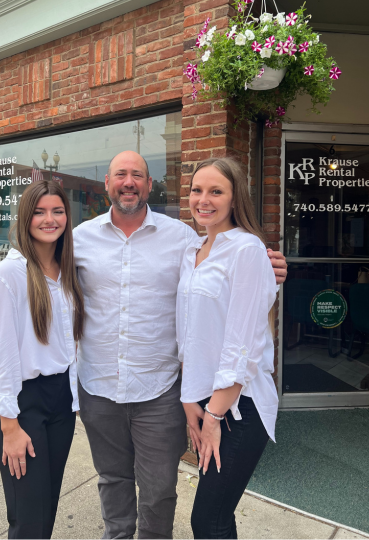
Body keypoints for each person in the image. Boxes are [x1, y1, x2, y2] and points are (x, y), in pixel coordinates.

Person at [0, 151, 287, 539]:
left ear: (149, 185)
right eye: (120, 174)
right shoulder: (79, 239)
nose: (129, 181)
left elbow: (228, 274)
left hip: (160, 391)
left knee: (158, 491)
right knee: (112, 481)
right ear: (107, 184)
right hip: (98, 388)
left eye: (138, 174)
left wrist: (268, 269)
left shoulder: (185, 240)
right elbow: (36, 267)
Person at [177, 157, 279, 539]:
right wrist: (192, 403)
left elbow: (243, 342)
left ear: (235, 199)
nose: (203, 199)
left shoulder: (246, 249)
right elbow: (190, 334)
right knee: (216, 514)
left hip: (239, 406)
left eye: (216, 191)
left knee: (208, 519)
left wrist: (215, 417)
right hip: (205, 401)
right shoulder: (194, 252)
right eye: (196, 190)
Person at [0, 180, 84, 539]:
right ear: (25, 217)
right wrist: (9, 426)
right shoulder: (7, 277)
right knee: (28, 520)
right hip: (23, 405)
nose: (49, 219)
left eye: (57, 211)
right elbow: (0, 357)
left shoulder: (67, 270)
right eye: (39, 212)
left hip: (61, 401)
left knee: (47, 509)